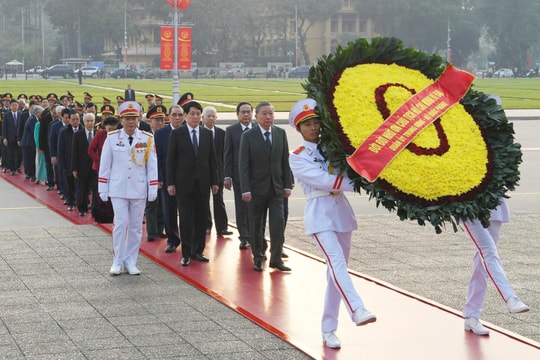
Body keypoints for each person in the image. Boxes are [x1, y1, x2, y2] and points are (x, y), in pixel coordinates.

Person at [288, 99, 376, 349]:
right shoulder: (297, 157)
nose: (313, 128)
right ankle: (357, 308)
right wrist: (363, 183)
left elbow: (349, 169)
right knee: (337, 263)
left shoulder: (334, 148)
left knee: (334, 274)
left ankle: (328, 329)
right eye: (307, 125)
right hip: (319, 214)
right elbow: (324, 180)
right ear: (299, 129)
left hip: (341, 213)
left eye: (316, 122)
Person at [98, 101, 158, 275]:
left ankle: (131, 260)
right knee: (121, 223)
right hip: (118, 188)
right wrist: (103, 187)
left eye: (134, 118)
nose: (131, 122)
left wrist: (152, 187)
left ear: (139, 119)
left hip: (138, 188)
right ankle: (117, 260)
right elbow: (105, 165)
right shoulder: (112, 137)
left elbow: (152, 165)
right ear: (121, 120)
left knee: (136, 227)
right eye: (127, 118)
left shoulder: (147, 138)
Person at [239, 101, 292, 272]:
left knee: (278, 224)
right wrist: (245, 189)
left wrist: (287, 184)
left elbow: (284, 161)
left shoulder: (280, 133)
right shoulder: (248, 136)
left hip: (276, 189)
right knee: (256, 226)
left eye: (271, 114)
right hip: (255, 191)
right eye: (264, 114)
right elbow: (243, 165)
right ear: (257, 117)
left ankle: (276, 259)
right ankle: (258, 256)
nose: (268, 117)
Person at [166, 99, 218, 266]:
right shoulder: (177, 134)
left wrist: (214, 182)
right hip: (184, 184)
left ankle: (198, 251)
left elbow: (212, 161)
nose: (195, 117)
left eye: (198, 114)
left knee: (201, 219)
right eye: (192, 114)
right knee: (186, 219)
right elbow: (171, 161)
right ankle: (186, 253)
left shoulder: (207, 134)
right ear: (186, 116)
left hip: (203, 184)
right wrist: (171, 183)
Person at [224, 102, 255, 249]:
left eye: (248, 112)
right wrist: (227, 176)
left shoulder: (257, 128)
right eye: (243, 112)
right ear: (238, 114)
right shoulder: (231, 130)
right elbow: (228, 154)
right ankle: (244, 236)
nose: (246, 115)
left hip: (256, 176)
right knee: (241, 207)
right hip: (238, 176)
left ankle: (255, 235)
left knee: (255, 207)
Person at [154, 105, 183, 253]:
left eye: (180, 115)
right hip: (167, 179)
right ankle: (172, 240)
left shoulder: (187, 132)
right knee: (169, 211)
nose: (177, 118)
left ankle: (188, 241)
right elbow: (157, 158)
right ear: (169, 117)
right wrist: (158, 177)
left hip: (185, 180)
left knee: (186, 212)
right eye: (174, 115)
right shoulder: (160, 134)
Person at [202, 106, 233, 237]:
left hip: (218, 173)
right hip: (203, 173)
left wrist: (226, 174)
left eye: (213, 116)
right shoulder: (199, 133)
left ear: (216, 118)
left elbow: (226, 155)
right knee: (204, 201)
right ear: (202, 118)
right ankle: (206, 226)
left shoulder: (222, 134)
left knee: (219, 200)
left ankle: (222, 227)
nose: (210, 118)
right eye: (208, 116)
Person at [144, 105, 166, 241]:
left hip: (163, 174)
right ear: (149, 121)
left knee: (163, 204)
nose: (159, 123)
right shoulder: (145, 137)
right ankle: (151, 231)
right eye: (156, 120)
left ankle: (160, 228)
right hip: (148, 175)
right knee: (151, 204)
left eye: (162, 120)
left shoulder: (166, 135)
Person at [72, 113, 96, 216]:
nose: (90, 123)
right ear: (84, 122)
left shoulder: (98, 134)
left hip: (95, 167)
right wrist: (74, 168)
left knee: (96, 189)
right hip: (82, 167)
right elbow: (74, 152)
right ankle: (82, 208)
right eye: (88, 121)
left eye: (91, 121)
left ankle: (95, 209)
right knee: (83, 189)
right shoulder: (78, 135)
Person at [58, 111, 82, 211]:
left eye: (77, 119)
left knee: (81, 185)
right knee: (69, 184)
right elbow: (61, 149)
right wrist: (62, 164)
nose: (75, 121)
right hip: (68, 162)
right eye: (73, 120)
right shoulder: (64, 132)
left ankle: (82, 203)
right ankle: (71, 202)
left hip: (81, 163)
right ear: (69, 120)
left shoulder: (83, 131)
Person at [2, 99, 22, 175]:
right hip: (10, 138)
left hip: (19, 138)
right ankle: (13, 169)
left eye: (16, 105)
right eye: (13, 105)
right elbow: (4, 127)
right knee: (11, 154)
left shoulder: (21, 114)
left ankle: (17, 166)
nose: (14, 106)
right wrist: (5, 138)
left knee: (20, 154)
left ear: (18, 106)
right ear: (10, 106)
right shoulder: (7, 115)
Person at [20, 102, 40, 181]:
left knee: (28, 159)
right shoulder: (33, 119)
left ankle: (29, 173)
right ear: (37, 112)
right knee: (30, 159)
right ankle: (31, 174)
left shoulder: (32, 118)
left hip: (27, 143)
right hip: (29, 143)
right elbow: (34, 131)